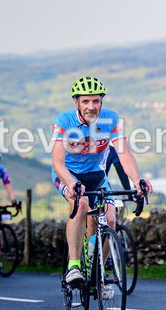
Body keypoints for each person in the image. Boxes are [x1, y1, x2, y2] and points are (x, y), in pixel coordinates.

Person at [52, 75, 153, 288]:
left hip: (96, 175)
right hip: (68, 175)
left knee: (110, 219)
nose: (91, 106)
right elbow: (57, 162)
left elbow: (124, 153)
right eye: (86, 101)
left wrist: (137, 180)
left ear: (102, 102)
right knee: (79, 205)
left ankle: (97, 268)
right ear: (76, 102)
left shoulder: (111, 119)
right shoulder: (64, 120)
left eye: (96, 101)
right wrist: (70, 183)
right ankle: (73, 266)